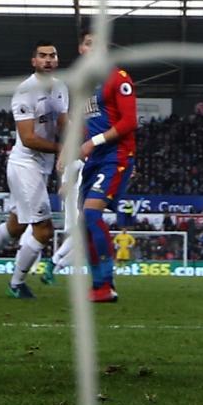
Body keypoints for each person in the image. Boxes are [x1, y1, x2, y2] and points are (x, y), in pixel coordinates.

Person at [0, 40, 67, 300]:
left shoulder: (61, 87)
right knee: (44, 229)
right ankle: (17, 283)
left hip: (40, 167)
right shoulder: (25, 92)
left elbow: (64, 122)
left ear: (57, 61)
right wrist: (61, 149)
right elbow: (29, 138)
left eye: (52, 56)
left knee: (16, 225)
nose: (47, 60)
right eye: (42, 56)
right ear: (34, 61)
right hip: (25, 165)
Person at [76, 28, 135, 304]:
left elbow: (128, 122)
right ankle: (98, 284)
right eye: (89, 44)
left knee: (91, 217)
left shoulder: (119, 78)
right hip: (94, 160)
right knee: (83, 224)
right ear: (81, 49)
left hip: (115, 155)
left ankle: (105, 285)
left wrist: (93, 142)